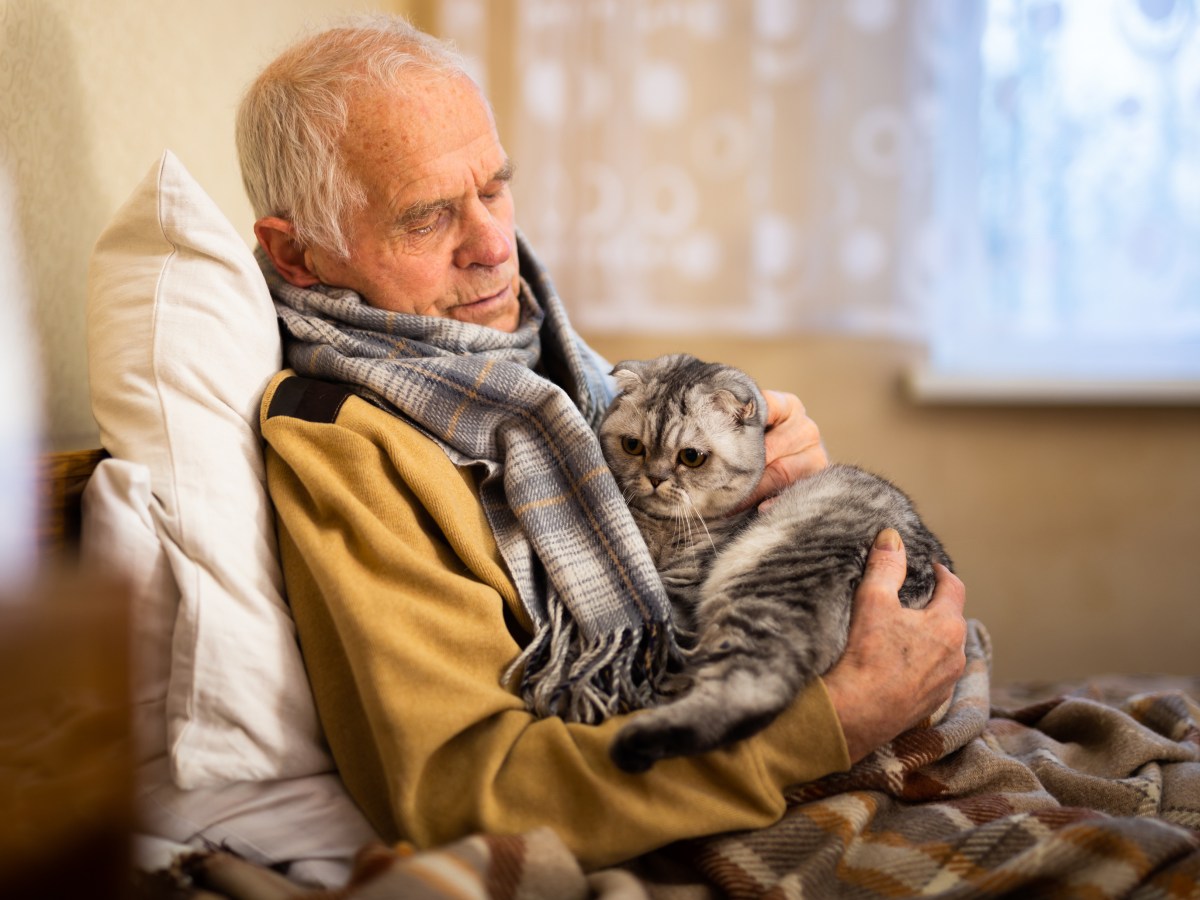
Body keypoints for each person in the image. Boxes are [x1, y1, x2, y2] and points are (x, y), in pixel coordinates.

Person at [237, 15, 967, 871]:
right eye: (427, 217)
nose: (493, 244)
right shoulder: (346, 448)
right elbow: (469, 792)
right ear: (296, 256)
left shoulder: (555, 376)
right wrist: (831, 722)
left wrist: (767, 505)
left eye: (495, 188)